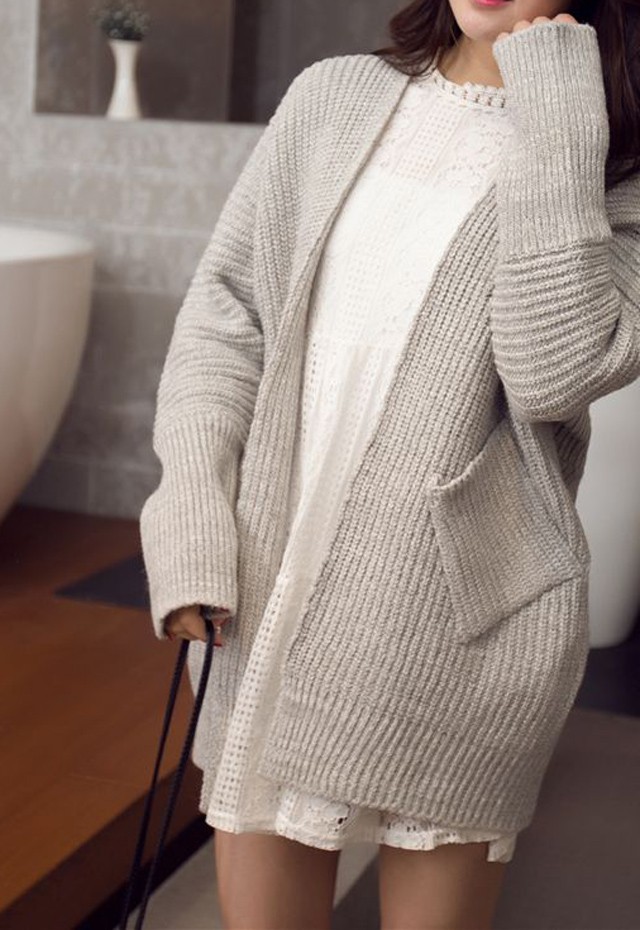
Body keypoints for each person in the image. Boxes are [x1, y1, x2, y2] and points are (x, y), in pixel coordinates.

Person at [139, 0, 640, 925]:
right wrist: (195, 514)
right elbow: (226, 317)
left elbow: (553, 370)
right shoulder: (332, 97)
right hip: (269, 590)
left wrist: (562, 109)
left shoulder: (617, 165)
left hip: (459, 627)